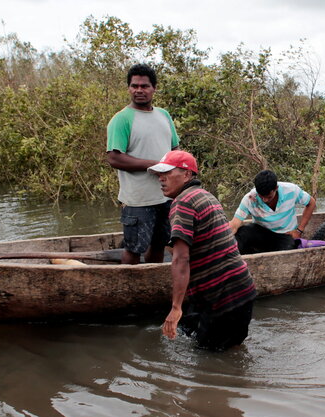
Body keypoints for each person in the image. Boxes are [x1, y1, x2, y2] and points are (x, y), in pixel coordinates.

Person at [148, 150, 257, 351]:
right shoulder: (206, 196)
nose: (160, 178)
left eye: (167, 173)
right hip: (243, 289)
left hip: (222, 299)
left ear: (187, 175)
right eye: (159, 174)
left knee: (210, 359)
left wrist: (175, 308)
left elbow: (181, 259)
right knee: (231, 351)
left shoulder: (182, 203)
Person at [106, 63, 180, 264]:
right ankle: (129, 290)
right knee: (134, 248)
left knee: (159, 244)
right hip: (138, 200)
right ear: (129, 88)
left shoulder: (163, 115)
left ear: (154, 88)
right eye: (134, 86)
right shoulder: (122, 119)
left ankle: (152, 286)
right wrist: (154, 165)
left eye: (144, 86)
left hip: (165, 196)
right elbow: (114, 158)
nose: (139, 90)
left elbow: (174, 149)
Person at [228, 170, 317, 254]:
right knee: (243, 231)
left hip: (285, 235)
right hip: (263, 234)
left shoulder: (291, 190)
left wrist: (299, 230)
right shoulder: (251, 198)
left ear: (276, 188)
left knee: (287, 249)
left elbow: (311, 203)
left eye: (269, 197)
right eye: (261, 196)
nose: (265, 200)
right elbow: (234, 224)